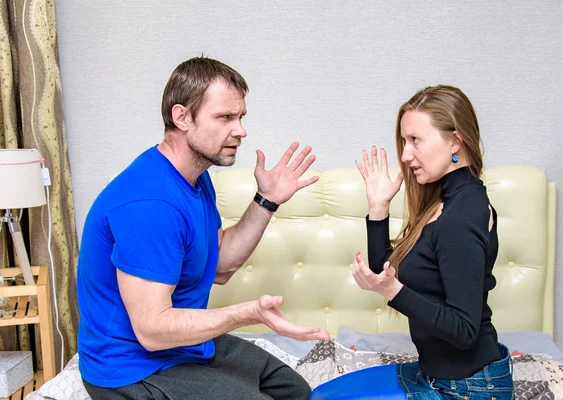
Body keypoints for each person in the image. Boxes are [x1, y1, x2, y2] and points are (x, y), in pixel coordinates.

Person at [76, 56, 329, 400]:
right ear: (182, 117)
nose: (240, 130)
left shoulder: (195, 178)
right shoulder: (151, 203)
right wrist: (248, 313)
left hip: (181, 348)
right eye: (225, 117)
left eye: (240, 117)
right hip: (133, 368)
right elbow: (152, 330)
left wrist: (266, 200)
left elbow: (220, 265)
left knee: (295, 391)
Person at [312, 85, 514, 399]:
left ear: (455, 141)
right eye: (405, 141)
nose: (405, 156)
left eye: (415, 140)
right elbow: (387, 272)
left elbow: (464, 331)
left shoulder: (462, 216)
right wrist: (378, 209)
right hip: (433, 373)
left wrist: (392, 292)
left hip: (468, 389)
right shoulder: (442, 202)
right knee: (322, 395)